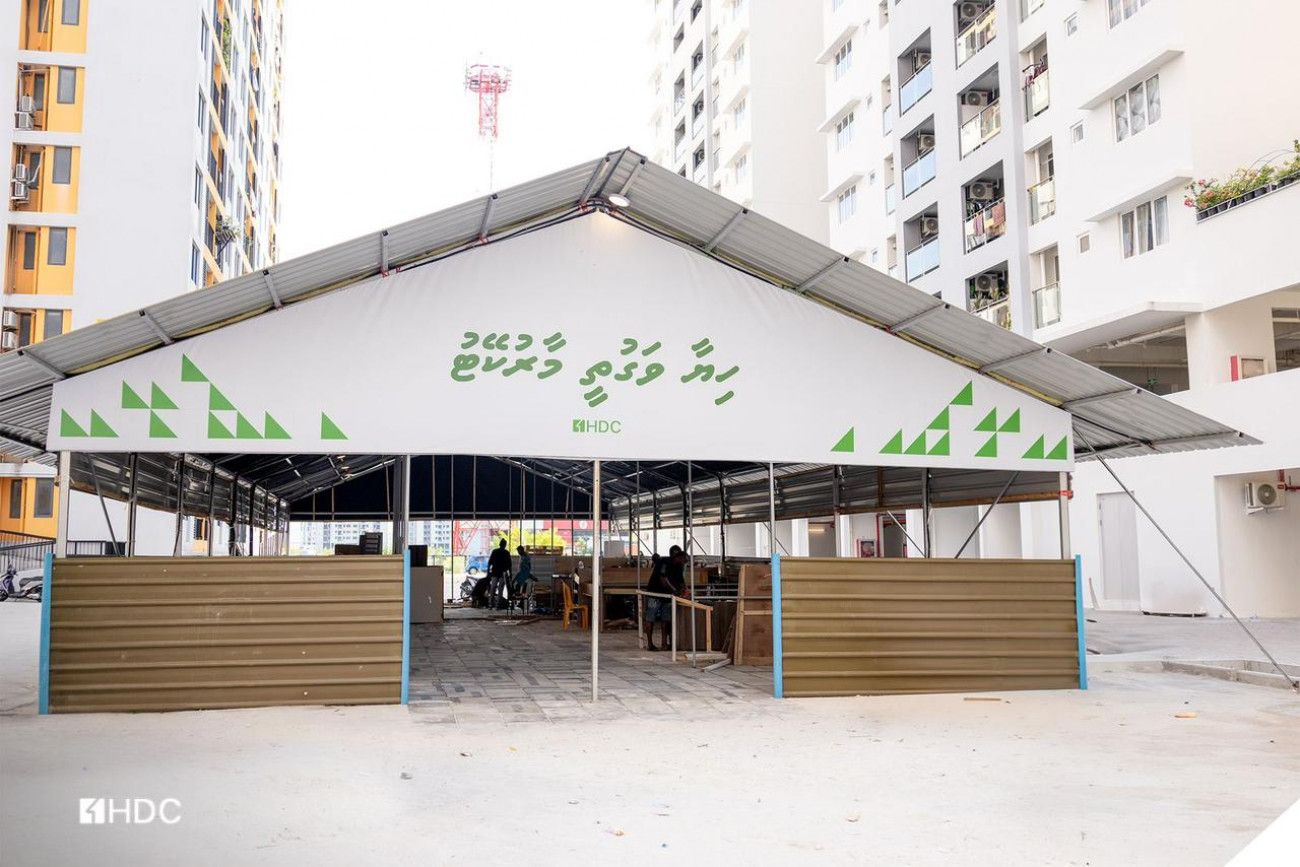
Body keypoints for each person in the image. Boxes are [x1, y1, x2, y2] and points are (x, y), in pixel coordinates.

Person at [644, 545, 685, 651]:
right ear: (674, 556)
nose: (682, 560)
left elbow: (681, 581)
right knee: (650, 618)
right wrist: (675, 591)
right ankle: (650, 644)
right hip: (655, 594)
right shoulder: (663, 563)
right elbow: (663, 580)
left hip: (667, 596)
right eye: (680, 557)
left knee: (665, 620)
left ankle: (664, 643)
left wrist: (684, 591)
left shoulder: (679, 566)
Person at [487, 538, 512, 608]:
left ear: (499, 544)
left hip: (495, 572)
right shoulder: (506, 552)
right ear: (505, 545)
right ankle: (498, 604)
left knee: (493, 587)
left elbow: (490, 562)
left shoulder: (495, 551)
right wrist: (510, 574)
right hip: (502, 573)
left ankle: (490, 603)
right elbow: (509, 565)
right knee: (500, 589)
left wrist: (488, 572)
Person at [512, 545, 534, 612]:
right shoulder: (522, 556)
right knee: (520, 589)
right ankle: (521, 603)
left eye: (519, 551)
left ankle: (522, 603)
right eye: (517, 551)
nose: (518, 552)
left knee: (521, 589)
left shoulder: (525, 557)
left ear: (522, 550)